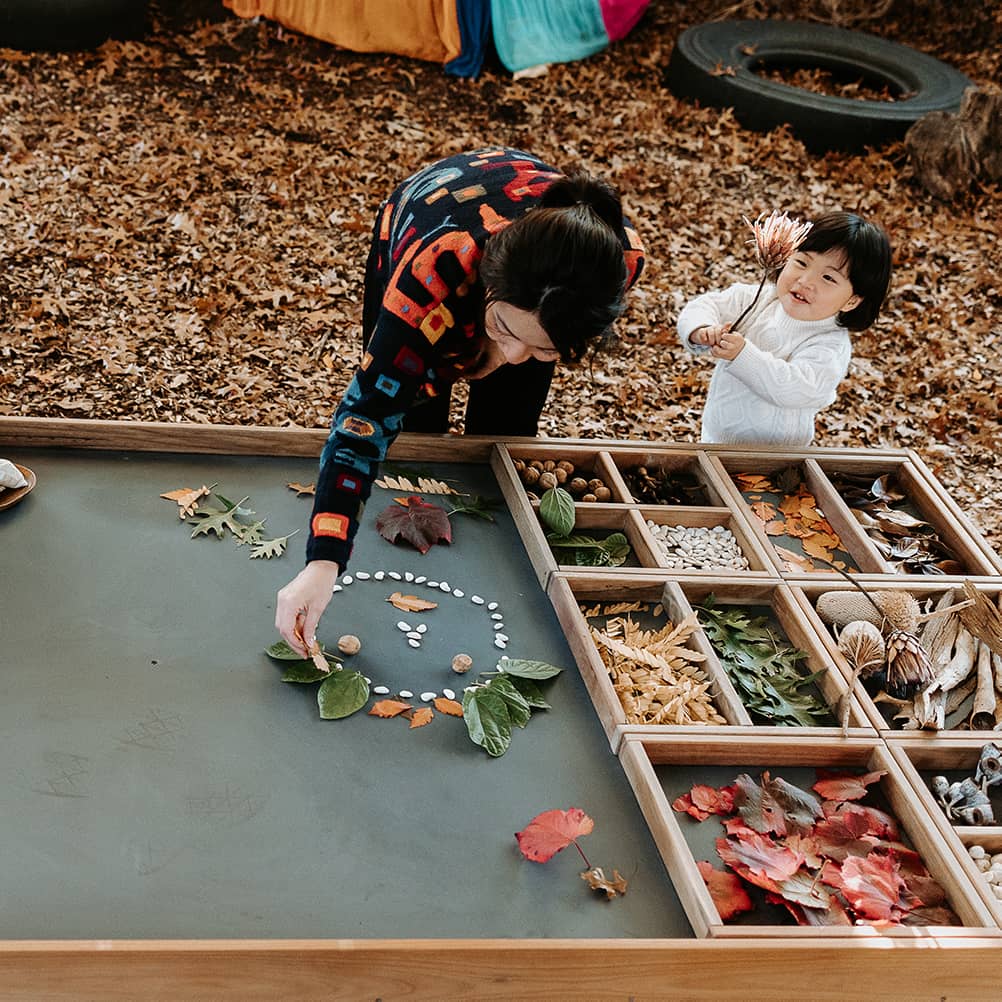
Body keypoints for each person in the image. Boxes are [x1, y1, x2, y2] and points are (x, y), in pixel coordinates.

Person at [276, 146, 645, 655]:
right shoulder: (433, 270)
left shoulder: (615, 264)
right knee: (415, 416)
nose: (512, 355)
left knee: (508, 421)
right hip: (428, 220)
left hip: (522, 284)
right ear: (489, 290)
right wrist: (324, 561)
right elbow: (364, 419)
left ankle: (472, 542)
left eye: (542, 347)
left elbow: (527, 340)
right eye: (502, 330)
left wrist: (520, 339)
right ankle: (416, 512)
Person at [678, 210, 891, 447]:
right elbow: (704, 305)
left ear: (852, 300)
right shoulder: (757, 299)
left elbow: (792, 387)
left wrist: (742, 356)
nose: (805, 281)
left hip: (779, 458)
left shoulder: (829, 344)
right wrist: (703, 328)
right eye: (801, 262)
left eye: (828, 278)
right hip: (715, 439)